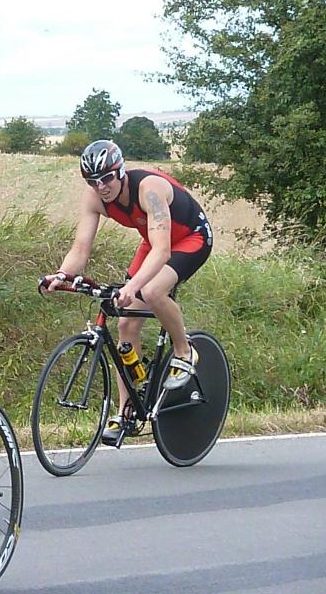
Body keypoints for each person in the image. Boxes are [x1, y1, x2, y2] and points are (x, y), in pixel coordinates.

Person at [44, 140, 212, 445]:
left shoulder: (149, 189)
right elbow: (80, 249)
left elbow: (162, 251)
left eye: (107, 178)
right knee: (125, 323)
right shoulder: (95, 198)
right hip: (154, 240)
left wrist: (131, 287)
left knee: (152, 291)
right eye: (93, 182)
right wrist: (61, 275)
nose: (101, 187)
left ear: (121, 171)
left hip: (191, 237)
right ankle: (126, 411)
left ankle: (185, 351)